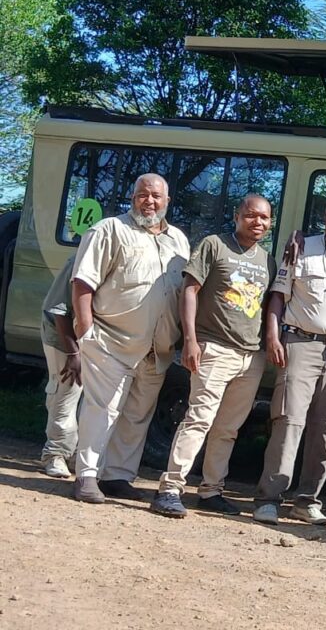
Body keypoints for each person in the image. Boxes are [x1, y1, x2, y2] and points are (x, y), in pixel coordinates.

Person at [151, 195, 275, 518]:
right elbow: (190, 291)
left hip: (251, 357)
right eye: (250, 216)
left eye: (263, 218)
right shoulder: (213, 245)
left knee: (228, 428)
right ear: (237, 216)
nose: (257, 222)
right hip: (213, 348)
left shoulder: (267, 260)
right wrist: (190, 340)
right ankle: (170, 488)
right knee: (199, 419)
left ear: (270, 222)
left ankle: (211, 490)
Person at [252, 196, 326, 526]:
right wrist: (274, 337)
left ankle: (307, 501)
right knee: (288, 422)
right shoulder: (301, 248)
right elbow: (278, 297)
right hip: (300, 343)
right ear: (325, 217)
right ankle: (269, 498)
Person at [70, 173, 190, 504]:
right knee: (103, 409)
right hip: (110, 340)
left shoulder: (179, 240)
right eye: (142, 195)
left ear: (168, 202)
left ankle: (118, 477)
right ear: (132, 197)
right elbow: (83, 283)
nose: (148, 201)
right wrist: (86, 330)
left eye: (155, 196)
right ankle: (87, 476)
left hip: (157, 349)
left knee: (137, 414)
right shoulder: (109, 230)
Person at [38, 254, 81, 479]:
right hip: (62, 333)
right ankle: (55, 453)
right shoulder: (78, 261)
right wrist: (74, 352)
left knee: (93, 397)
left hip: (94, 337)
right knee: (66, 389)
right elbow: (58, 309)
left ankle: (75, 452)